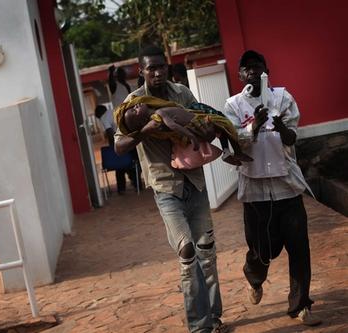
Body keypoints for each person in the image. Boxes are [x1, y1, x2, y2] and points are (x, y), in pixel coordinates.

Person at [115, 45, 227, 333]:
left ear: (167, 67)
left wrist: (207, 130)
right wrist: (145, 131)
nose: (156, 72)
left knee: (206, 250)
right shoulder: (132, 103)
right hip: (166, 188)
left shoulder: (182, 93)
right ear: (141, 71)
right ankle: (199, 327)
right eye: (150, 68)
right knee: (187, 252)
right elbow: (119, 146)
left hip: (195, 181)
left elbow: (205, 121)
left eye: (160, 66)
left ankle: (214, 319)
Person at [223, 50, 322, 326]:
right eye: (247, 69)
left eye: (258, 67)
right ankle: (254, 279)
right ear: (240, 75)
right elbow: (233, 144)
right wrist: (253, 127)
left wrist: (279, 126)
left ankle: (301, 305)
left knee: (299, 247)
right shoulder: (232, 105)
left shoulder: (283, 98)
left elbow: (292, 137)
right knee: (260, 252)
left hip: (286, 188)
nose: (252, 72)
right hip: (255, 194)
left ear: (267, 71)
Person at [114, 95, 253, 166]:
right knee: (225, 125)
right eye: (134, 110)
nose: (135, 106)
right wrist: (191, 136)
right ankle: (236, 152)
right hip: (197, 119)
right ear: (141, 121)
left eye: (133, 107)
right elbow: (174, 126)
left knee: (223, 127)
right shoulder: (159, 114)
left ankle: (228, 152)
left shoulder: (158, 108)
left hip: (197, 114)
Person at [95, 104, 138, 194]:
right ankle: (137, 184)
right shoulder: (113, 110)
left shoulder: (103, 117)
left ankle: (121, 189)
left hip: (121, 141)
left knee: (119, 166)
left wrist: (114, 145)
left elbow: (110, 133)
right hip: (131, 136)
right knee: (131, 163)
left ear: (99, 114)